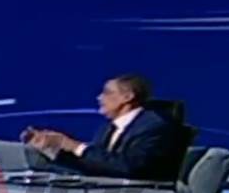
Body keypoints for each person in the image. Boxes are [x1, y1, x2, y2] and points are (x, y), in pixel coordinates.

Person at [21, 74, 179, 182]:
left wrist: (74, 146)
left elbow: (129, 168)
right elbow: (96, 165)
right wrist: (51, 149)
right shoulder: (108, 128)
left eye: (107, 93)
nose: (99, 98)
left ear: (127, 97)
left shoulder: (154, 126)